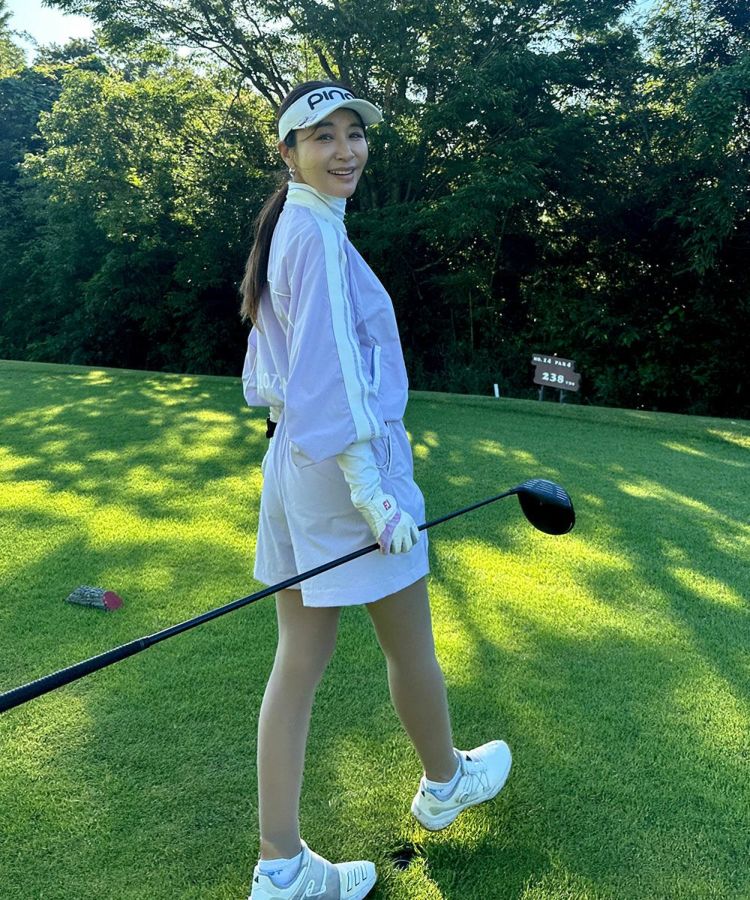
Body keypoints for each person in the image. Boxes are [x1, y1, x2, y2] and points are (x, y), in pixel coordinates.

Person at [239, 80, 512, 900]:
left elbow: (282, 377)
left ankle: (281, 866)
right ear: (288, 151)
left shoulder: (298, 224)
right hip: (348, 474)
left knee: (300, 658)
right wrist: (374, 494)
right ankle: (444, 781)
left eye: (353, 133)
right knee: (409, 643)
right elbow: (335, 380)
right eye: (322, 135)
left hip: (297, 463)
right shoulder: (311, 233)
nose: (345, 150)